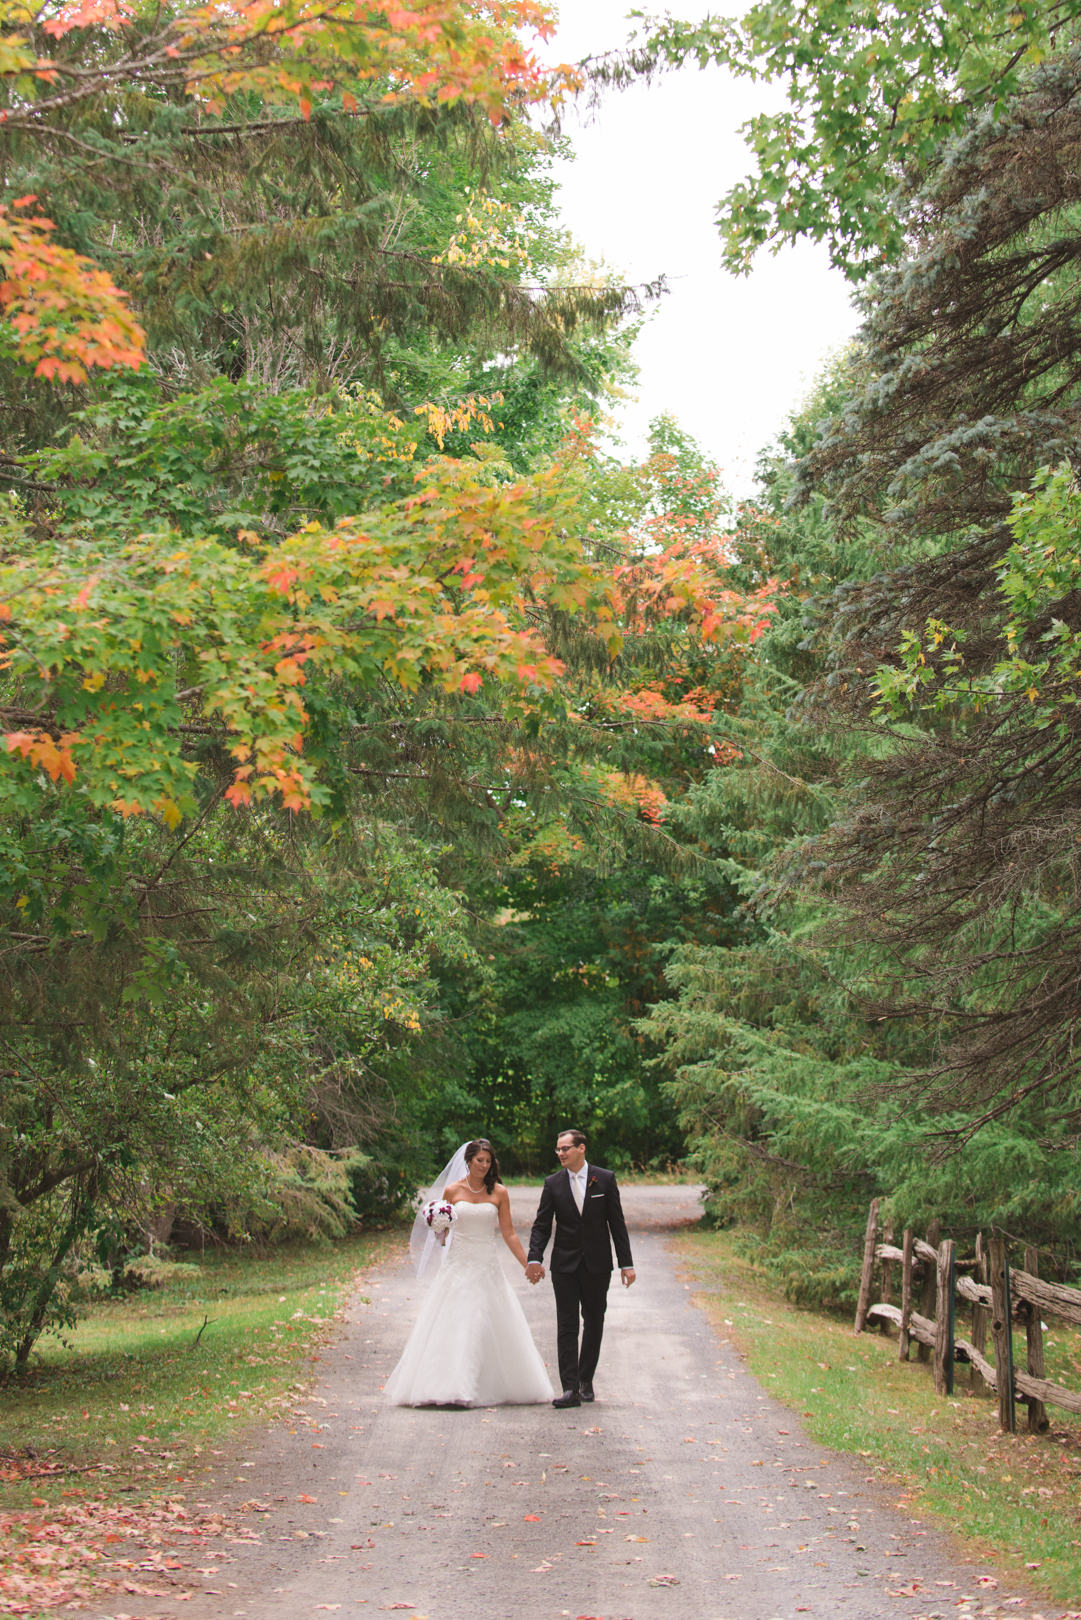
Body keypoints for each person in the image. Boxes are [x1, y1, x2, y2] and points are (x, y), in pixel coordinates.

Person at [384, 1138, 554, 1408]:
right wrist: (439, 1229)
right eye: (479, 1161)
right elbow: (444, 1230)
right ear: (469, 1161)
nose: (484, 1166)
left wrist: (528, 1263)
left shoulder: (499, 1193)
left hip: (486, 1263)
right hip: (459, 1262)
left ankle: (483, 1384)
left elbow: (508, 1233)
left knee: (483, 1320)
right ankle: (450, 1386)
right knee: (456, 1320)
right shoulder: (452, 1190)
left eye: (488, 1162)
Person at [525, 1128, 635, 1409]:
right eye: (558, 1149)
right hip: (564, 1264)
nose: (561, 1153)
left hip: (597, 1264)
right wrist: (534, 1257)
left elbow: (617, 1224)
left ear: (581, 1148)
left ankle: (586, 1380)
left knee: (594, 1320)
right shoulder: (553, 1184)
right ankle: (569, 1388)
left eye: (566, 1148)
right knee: (567, 1324)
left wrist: (626, 1264)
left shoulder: (605, 1180)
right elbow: (541, 1225)